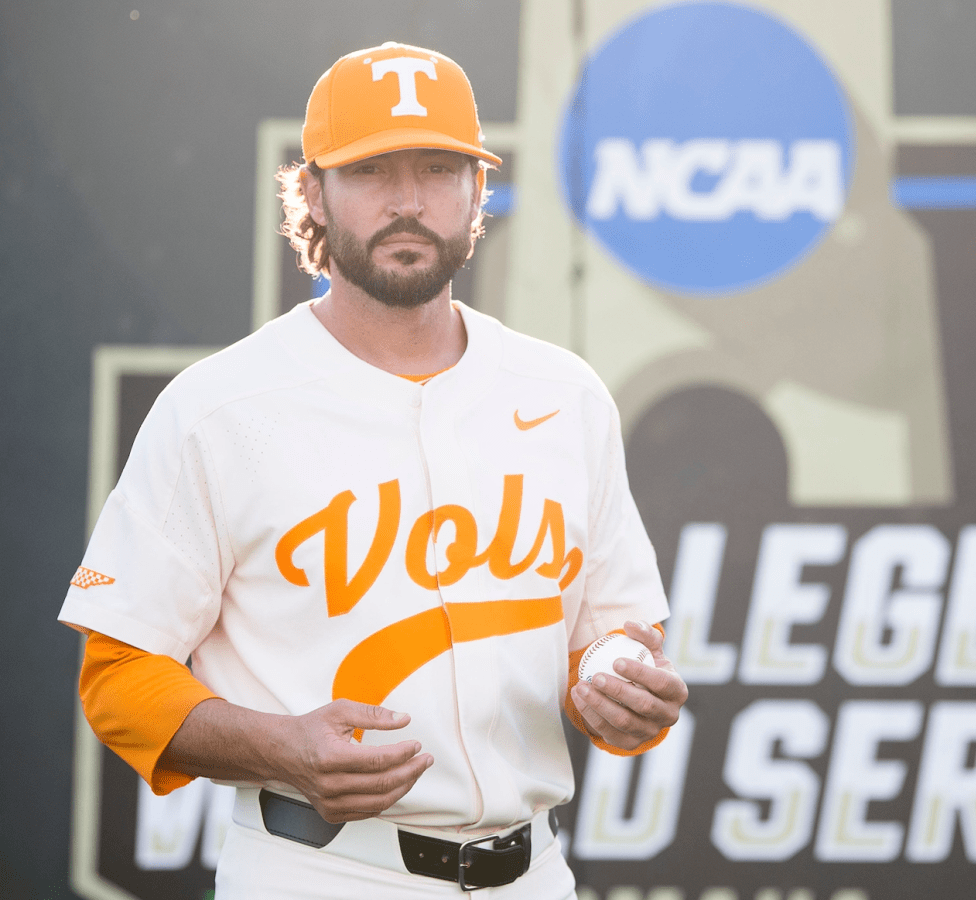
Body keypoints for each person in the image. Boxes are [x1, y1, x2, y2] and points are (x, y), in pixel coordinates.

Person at [59, 41, 687, 900]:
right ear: (312, 190)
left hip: (532, 873)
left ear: (477, 190)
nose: (408, 202)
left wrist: (614, 678)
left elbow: (617, 631)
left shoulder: (564, 393)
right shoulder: (220, 405)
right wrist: (279, 748)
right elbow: (119, 673)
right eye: (371, 171)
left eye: (437, 168)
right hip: (318, 870)